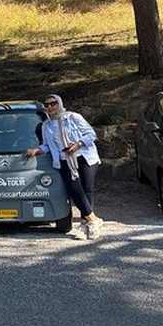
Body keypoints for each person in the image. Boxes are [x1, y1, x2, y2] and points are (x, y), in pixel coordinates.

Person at [24, 94, 103, 240]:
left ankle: (86, 225)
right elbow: (47, 145)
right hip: (64, 160)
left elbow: (91, 134)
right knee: (75, 190)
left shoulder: (73, 117)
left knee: (86, 190)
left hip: (84, 156)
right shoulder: (46, 126)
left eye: (53, 104)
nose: (50, 107)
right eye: (46, 105)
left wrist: (78, 144)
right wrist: (36, 150)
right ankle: (93, 220)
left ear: (59, 103)